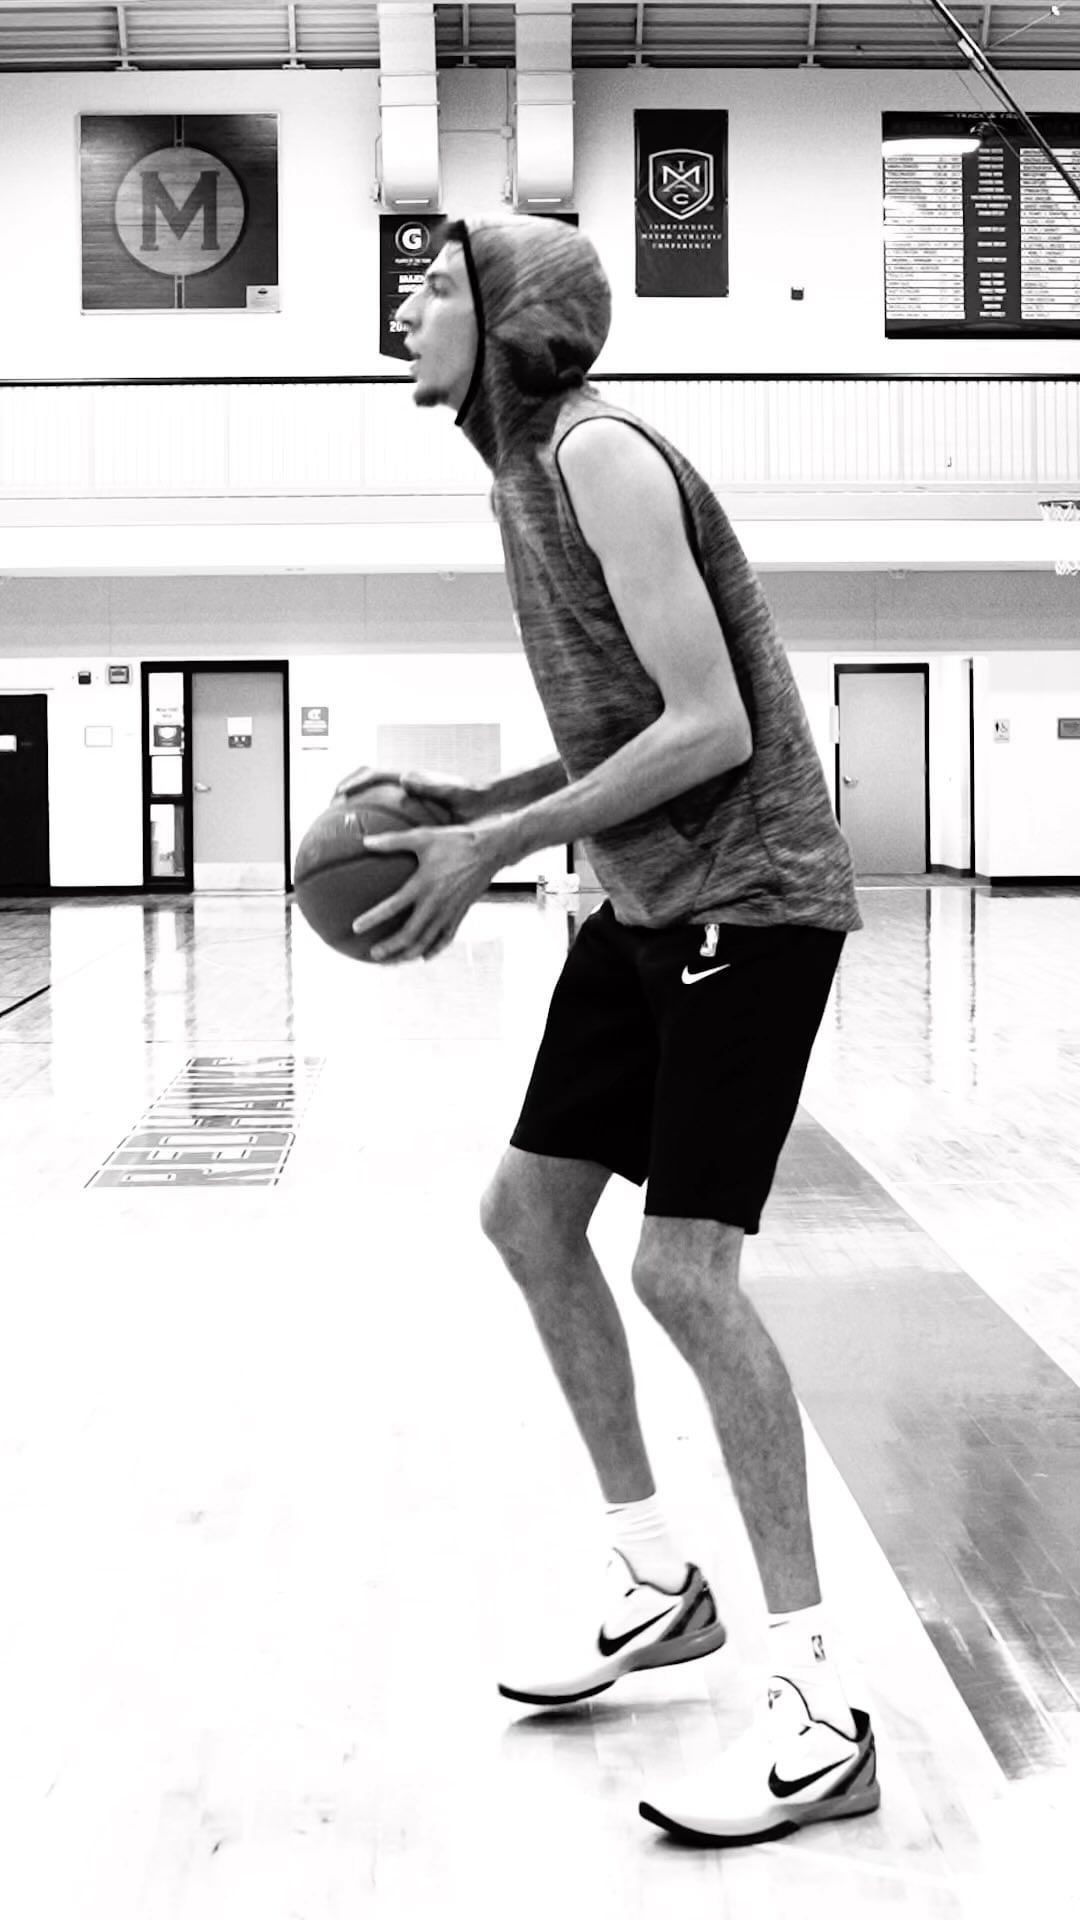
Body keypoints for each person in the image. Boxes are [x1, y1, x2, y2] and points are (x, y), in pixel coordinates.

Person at [344, 213, 880, 1847]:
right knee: (526, 1216)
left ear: (515, 326)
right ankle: (656, 1578)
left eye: (438, 284)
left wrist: (495, 847)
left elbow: (712, 726)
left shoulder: (601, 454)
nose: (409, 305)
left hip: (754, 898)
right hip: (649, 898)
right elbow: (638, 725)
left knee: (684, 1272)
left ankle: (818, 1711)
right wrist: (488, 798)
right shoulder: (519, 474)